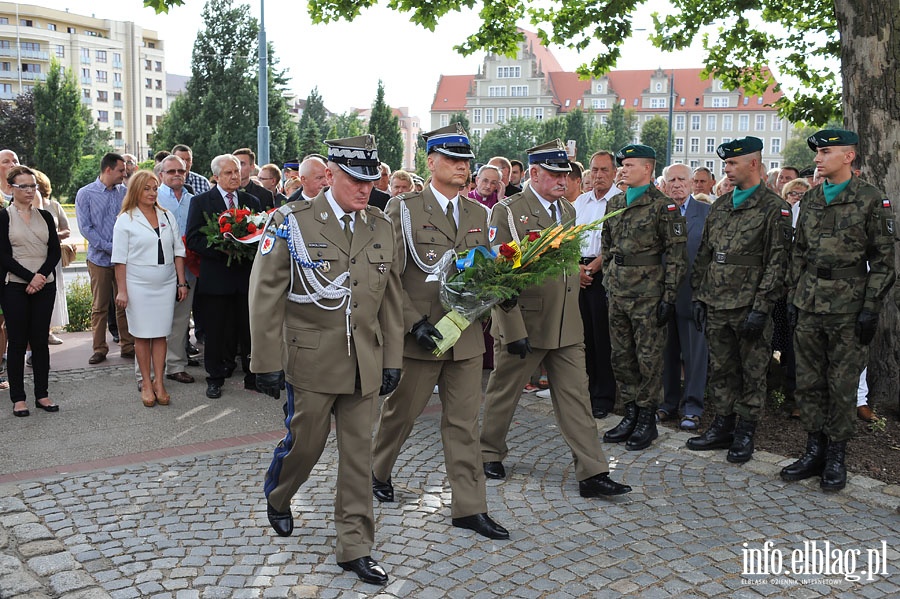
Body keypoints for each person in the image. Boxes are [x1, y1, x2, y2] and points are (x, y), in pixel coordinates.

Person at [250, 135, 403, 586]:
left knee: (359, 456)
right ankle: (279, 495)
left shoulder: (380, 224)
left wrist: (392, 357)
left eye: (370, 180)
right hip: (312, 359)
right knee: (306, 445)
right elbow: (265, 296)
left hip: (364, 363)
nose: (365, 189)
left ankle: (355, 546)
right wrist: (265, 362)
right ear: (331, 176)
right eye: (355, 179)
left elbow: (391, 299)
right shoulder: (292, 220)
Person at [371, 124, 508, 540]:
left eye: (466, 161)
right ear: (430, 162)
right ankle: (376, 471)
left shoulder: (478, 214)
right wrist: (414, 323)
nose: (462, 167)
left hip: (463, 333)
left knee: (464, 423)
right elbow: (392, 277)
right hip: (422, 336)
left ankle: (469, 506)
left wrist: (498, 292)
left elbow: (480, 271)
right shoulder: (404, 209)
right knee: (401, 415)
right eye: (452, 159)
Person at [480, 139, 632, 499]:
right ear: (534, 173)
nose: (563, 179)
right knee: (505, 392)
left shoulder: (567, 210)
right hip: (526, 323)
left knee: (576, 397)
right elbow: (500, 277)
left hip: (566, 324)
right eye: (554, 173)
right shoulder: (508, 212)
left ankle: (592, 471)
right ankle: (488, 451)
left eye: (565, 173)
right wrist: (512, 329)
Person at [781, 129, 895, 491]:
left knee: (842, 384)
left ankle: (836, 457)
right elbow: (799, 252)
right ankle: (814, 449)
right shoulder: (812, 199)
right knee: (810, 382)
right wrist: (795, 298)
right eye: (817, 153)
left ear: (848, 156)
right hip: (810, 302)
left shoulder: (871, 199)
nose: (817, 158)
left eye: (825, 152)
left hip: (849, 306)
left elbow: (883, 260)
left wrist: (870, 308)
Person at [688, 137, 790, 463]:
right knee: (721, 369)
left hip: (749, 305)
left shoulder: (775, 208)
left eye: (733, 163)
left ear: (754, 164)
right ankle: (723, 424)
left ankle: (746, 431)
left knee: (752, 371)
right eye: (726, 164)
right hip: (716, 302)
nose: (726, 169)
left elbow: (778, 262)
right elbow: (705, 254)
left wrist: (762, 307)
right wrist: (699, 297)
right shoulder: (720, 205)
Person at [601, 144, 687, 452]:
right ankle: (630, 414)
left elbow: (676, 256)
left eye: (630, 165)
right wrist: (608, 281)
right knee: (621, 357)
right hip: (618, 292)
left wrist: (669, 296)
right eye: (622, 164)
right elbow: (607, 247)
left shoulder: (664, 207)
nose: (623, 169)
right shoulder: (615, 202)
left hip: (648, 295)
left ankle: (647, 420)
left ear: (648, 170)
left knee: (648, 359)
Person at [186, 154, 262, 399]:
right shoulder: (201, 202)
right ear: (216, 176)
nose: (235, 176)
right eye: (229, 173)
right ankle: (215, 378)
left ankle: (253, 375)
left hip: (245, 278)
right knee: (217, 331)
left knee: (248, 329)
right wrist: (222, 248)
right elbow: (194, 238)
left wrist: (246, 246)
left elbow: (263, 234)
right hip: (217, 278)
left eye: (237, 172)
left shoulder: (252, 200)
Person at [112, 171, 189, 408]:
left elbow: (178, 251)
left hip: (165, 283)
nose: (152, 192)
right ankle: (146, 382)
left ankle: (159, 382)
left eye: (154, 188)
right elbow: (119, 260)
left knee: (161, 334)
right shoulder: (126, 219)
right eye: (146, 188)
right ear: (136, 190)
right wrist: (122, 291)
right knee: (142, 335)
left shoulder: (166, 215)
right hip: (138, 285)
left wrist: (181, 281)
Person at [0, 166, 61, 417]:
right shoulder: (4, 217)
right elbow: (3, 256)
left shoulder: (45, 216)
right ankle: (18, 398)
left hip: (45, 286)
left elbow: (54, 251)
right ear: (11, 188)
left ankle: (42, 394)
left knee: (40, 341)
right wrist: (30, 277)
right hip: (15, 285)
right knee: (16, 341)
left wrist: (41, 276)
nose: (29, 190)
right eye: (23, 186)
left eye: (33, 185)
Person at [658, 164, 711, 431]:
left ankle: (692, 407)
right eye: (672, 180)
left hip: (693, 294)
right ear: (664, 185)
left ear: (692, 183)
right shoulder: (659, 212)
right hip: (663, 295)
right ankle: (668, 403)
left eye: (682, 179)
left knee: (694, 355)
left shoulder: (706, 212)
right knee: (667, 353)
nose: (677, 184)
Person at [572, 151, 620, 419]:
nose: (598, 175)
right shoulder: (580, 202)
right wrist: (576, 268)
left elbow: (618, 241)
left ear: (614, 173)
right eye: (594, 170)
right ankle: (585, 392)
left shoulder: (618, 201)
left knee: (604, 337)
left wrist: (597, 265)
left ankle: (604, 395)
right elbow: (569, 236)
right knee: (583, 336)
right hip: (579, 271)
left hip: (605, 272)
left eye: (604, 170)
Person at [75, 152, 135, 365]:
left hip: (122, 261)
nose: (124, 174)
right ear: (108, 169)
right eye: (121, 170)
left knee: (124, 304)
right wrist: (112, 248)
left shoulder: (125, 193)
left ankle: (128, 346)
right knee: (100, 307)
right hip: (99, 260)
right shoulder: (85, 194)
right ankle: (99, 349)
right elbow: (86, 228)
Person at [156, 155, 197, 385]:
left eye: (180, 171)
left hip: (188, 268)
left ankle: (175, 365)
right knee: (156, 319)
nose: (176, 175)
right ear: (161, 175)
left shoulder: (194, 200)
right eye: (170, 171)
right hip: (159, 267)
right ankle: (152, 368)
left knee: (181, 319)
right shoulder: (153, 197)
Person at [32, 169, 70, 344]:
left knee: (52, 292)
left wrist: (54, 235)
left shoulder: (54, 206)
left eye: (34, 185)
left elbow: (66, 229)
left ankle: (48, 331)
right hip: (33, 255)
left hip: (52, 255)